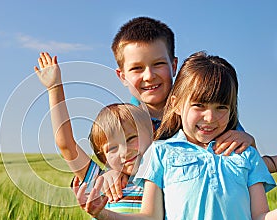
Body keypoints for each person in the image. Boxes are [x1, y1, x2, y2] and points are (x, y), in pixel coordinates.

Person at [75, 51, 277, 220]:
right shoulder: (160, 153)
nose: (210, 117)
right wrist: (103, 214)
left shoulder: (245, 154)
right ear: (177, 104)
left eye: (221, 107)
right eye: (199, 105)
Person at [104, 16, 276, 202]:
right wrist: (111, 172)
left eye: (159, 64)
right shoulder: (121, 121)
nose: (149, 76)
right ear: (121, 76)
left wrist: (248, 141)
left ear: (174, 65)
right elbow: (109, 154)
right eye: (137, 68)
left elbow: (248, 165)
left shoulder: (205, 111)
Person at [34, 52, 166, 220]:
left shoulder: (163, 175)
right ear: (103, 157)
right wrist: (54, 88)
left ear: (152, 133)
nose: (124, 152)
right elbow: (66, 144)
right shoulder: (100, 181)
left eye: (132, 138)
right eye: (112, 148)